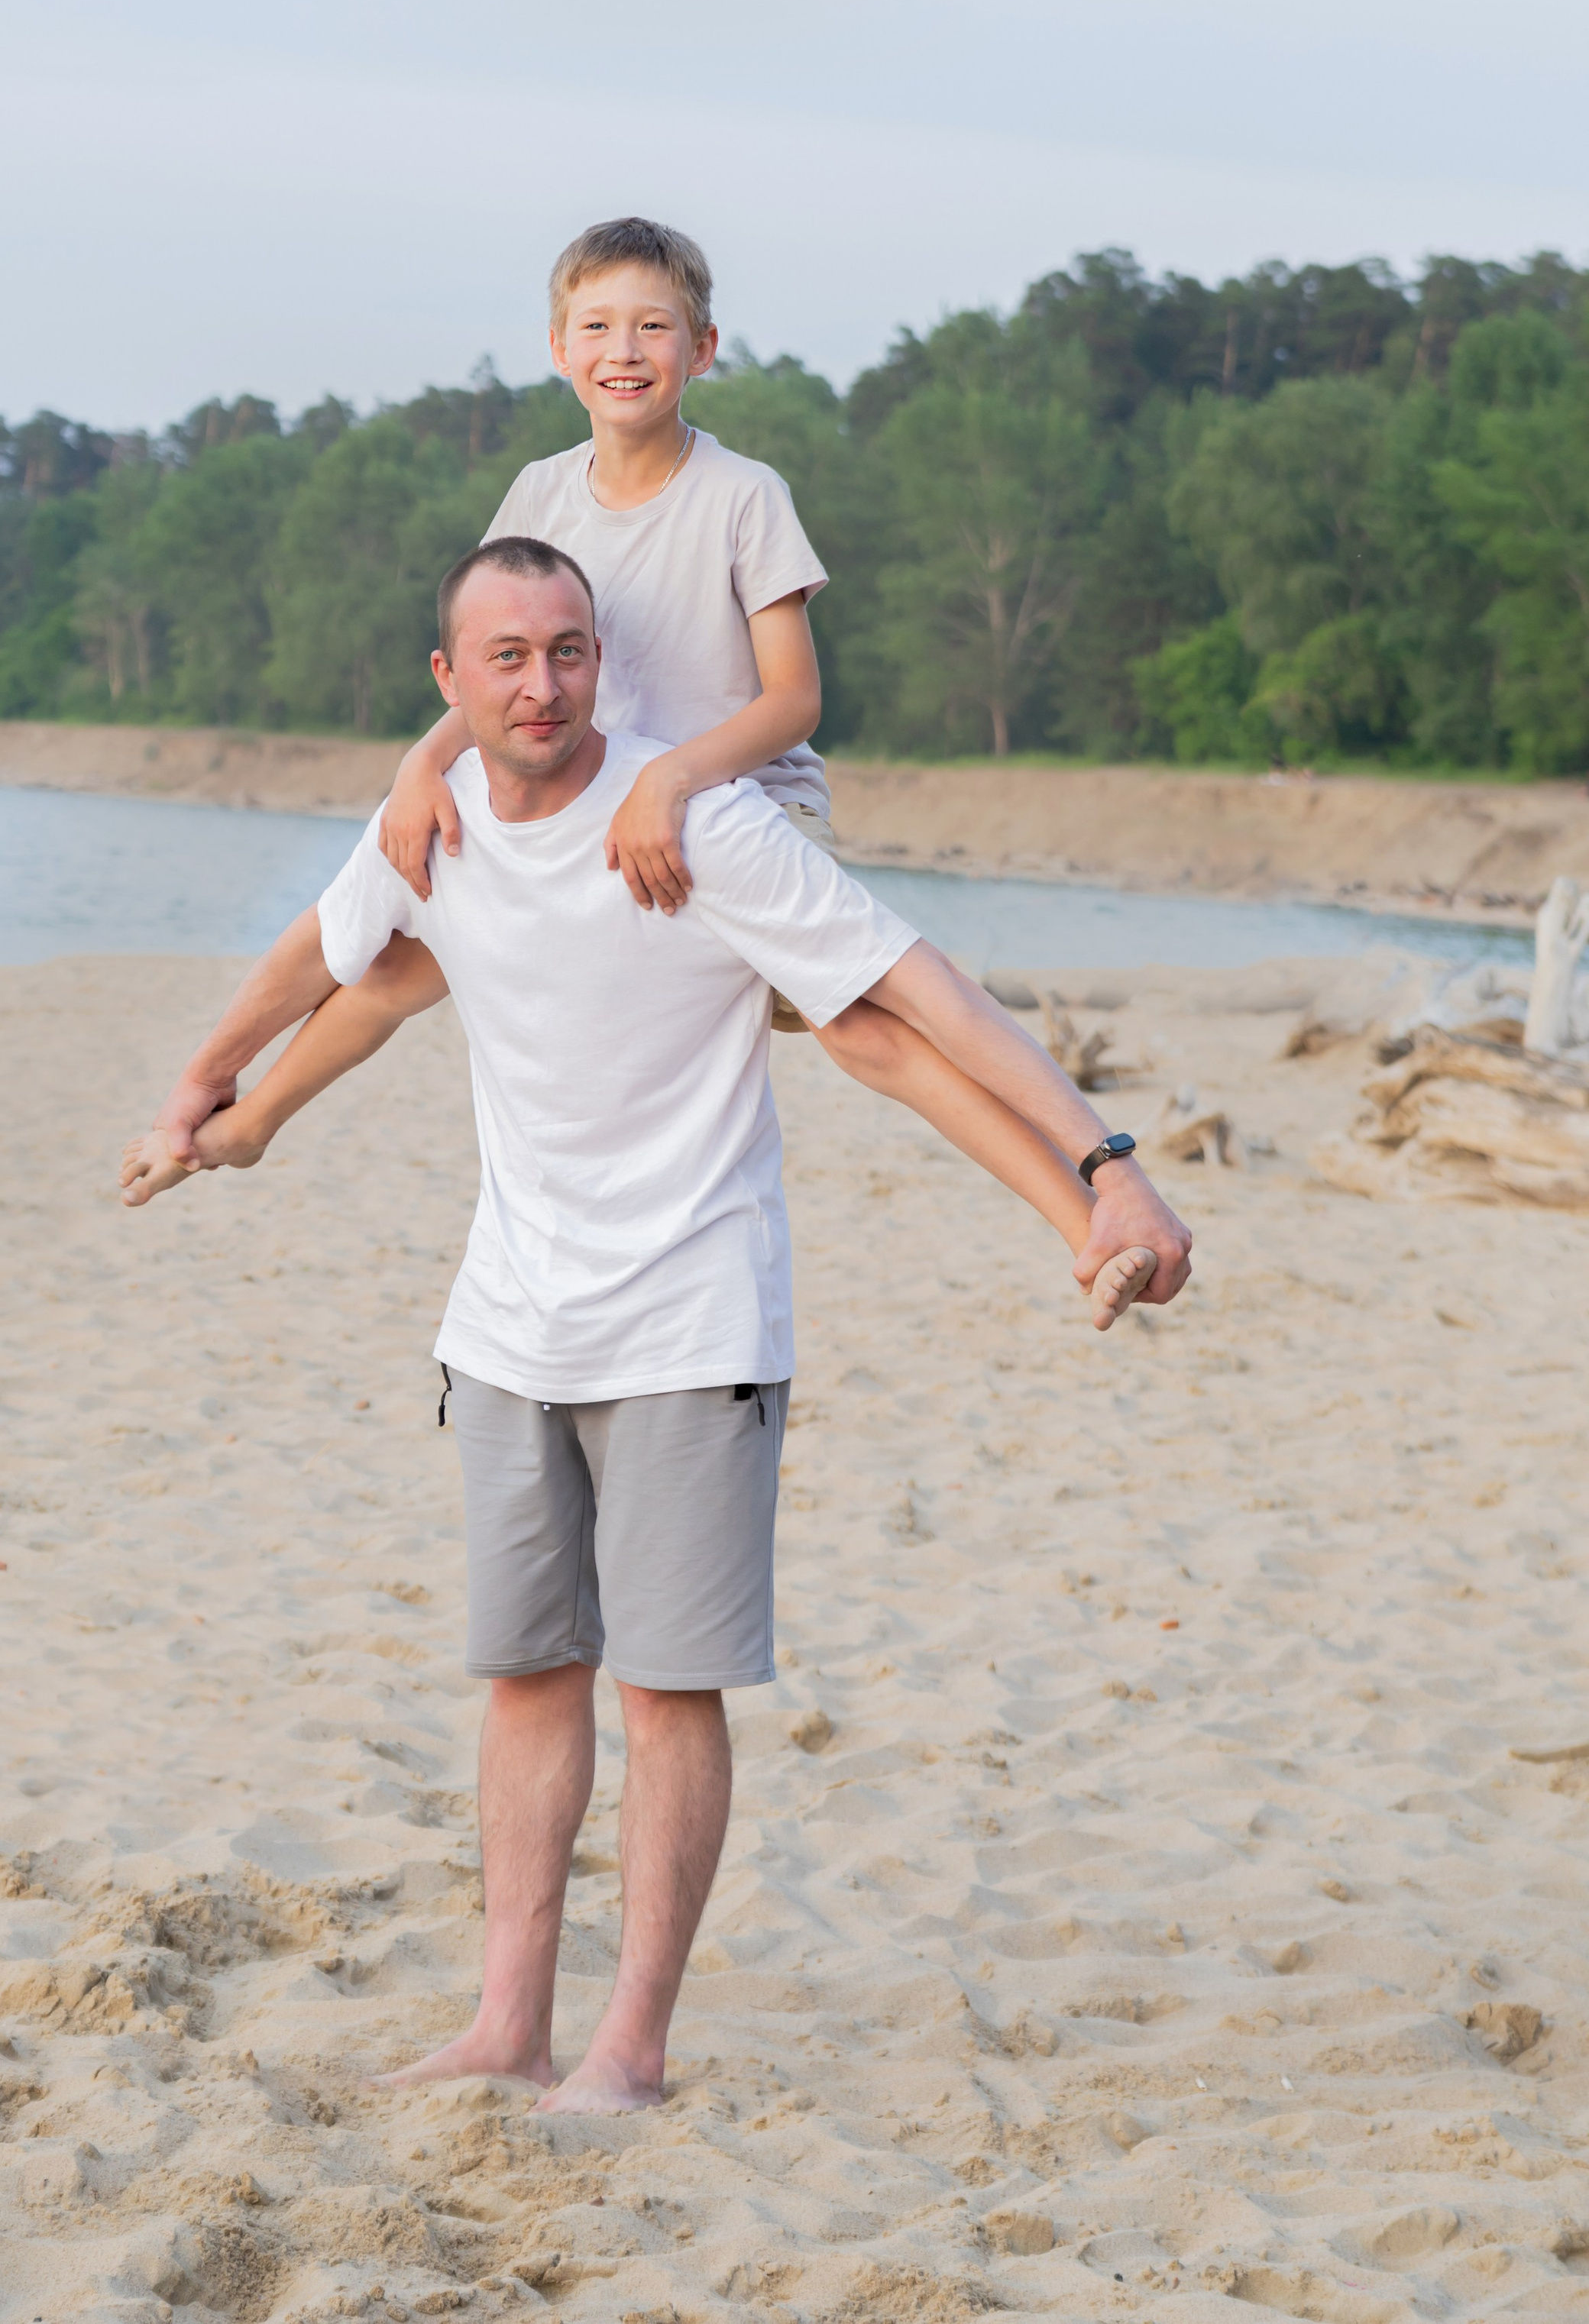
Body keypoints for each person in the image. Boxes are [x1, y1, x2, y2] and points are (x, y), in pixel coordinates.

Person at [122, 538, 1193, 2113]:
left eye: (566, 650)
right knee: (524, 1674)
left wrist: (1105, 1167)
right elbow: (330, 958)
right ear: (448, 683)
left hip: (692, 1321)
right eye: (505, 656)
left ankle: (628, 2041)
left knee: (662, 1691)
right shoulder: (431, 825)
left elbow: (915, 999)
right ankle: (505, 2021)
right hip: (504, 1325)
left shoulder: (702, 829)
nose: (539, 682)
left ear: (600, 662)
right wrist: (206, 1092)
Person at [149, 214, 1191, 1317]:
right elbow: (502, 653)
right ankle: (246, 1113)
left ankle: (1091, 1213)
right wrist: (420, 764)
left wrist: (675, 778)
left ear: (701, 349)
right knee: (410, 950)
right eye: (597, 325)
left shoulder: (744, 495)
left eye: (654, 326)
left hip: (735, 803)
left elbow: (795, 696)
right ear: (559, 348)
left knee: (869, 1028)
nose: (625, 349)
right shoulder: (541, 492)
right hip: (587, 798)